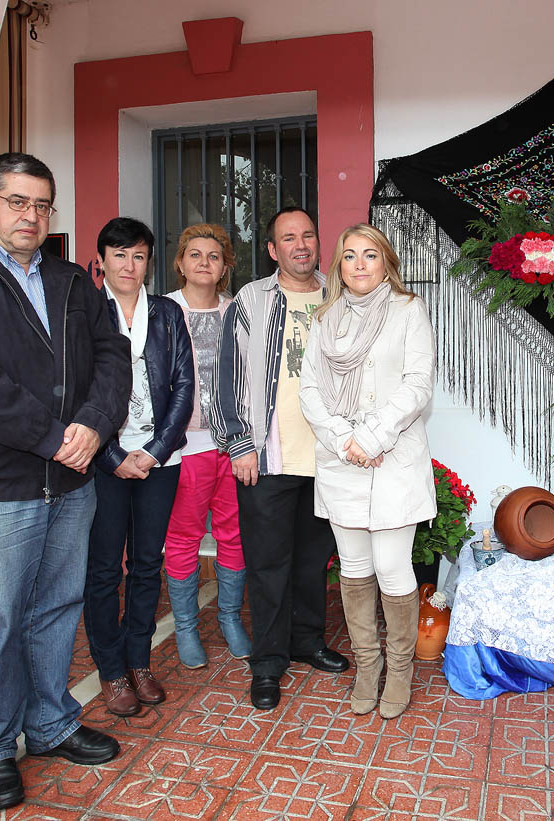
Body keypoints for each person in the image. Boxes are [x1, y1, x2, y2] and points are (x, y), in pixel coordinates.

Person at [0, 153, 131, 811]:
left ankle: (51, 724)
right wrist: (51, 436)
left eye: (42, 204)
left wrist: (93, 425)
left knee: (56, 608)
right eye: (17, 201)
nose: (31, 216)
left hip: (70, 484)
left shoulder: (69, 277)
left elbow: (113, 354)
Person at [210, 206, 349, 711]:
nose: (300, 245)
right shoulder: (250, 300)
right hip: (268, 457)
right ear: (272, 250)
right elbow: (224, 378)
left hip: (331, 459)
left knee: (313, 560)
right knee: (269, 564)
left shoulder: (343, 295)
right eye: (288, 238)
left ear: (318, 241)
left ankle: (307, 641)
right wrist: (239, 443)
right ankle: (268, 661)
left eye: (308, 235)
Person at [299, 224, 437, 719]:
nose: (360, 264)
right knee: (354, 567)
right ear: (339, 265)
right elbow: (310, 390)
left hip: (393, 455)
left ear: (386, 263)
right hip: (342, 460)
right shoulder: (326, 318)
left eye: (370, 255)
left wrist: (373, 436)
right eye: (350, 255)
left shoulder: (408, 311)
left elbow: (418, 385)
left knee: (394, 567)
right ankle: (367, 667)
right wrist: (343, 440)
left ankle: (400, 671)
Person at [82, 218, 194, 716]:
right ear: (102, 259)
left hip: (157, 460)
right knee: (105, 569)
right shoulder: (85, 311)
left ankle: (139, 661)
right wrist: (111, 457)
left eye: (140, 255)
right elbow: (77, 391)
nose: (130, 265)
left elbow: (184, 386)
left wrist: (155, 451)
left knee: (149, 564)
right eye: (120, 254)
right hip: (102, 461)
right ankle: (110, 671)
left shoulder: (168, 313)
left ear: (150, 261)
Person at [163, 224, 251, 668]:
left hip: (234, 444)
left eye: (213, 256)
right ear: (180, 263)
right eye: (194, 254)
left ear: (224, 268)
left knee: (235, 535)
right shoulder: (162, 311)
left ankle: (230, 619)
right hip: (185, 445)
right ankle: (184, 628)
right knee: (184, 535)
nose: (203, 262)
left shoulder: (238, 312)